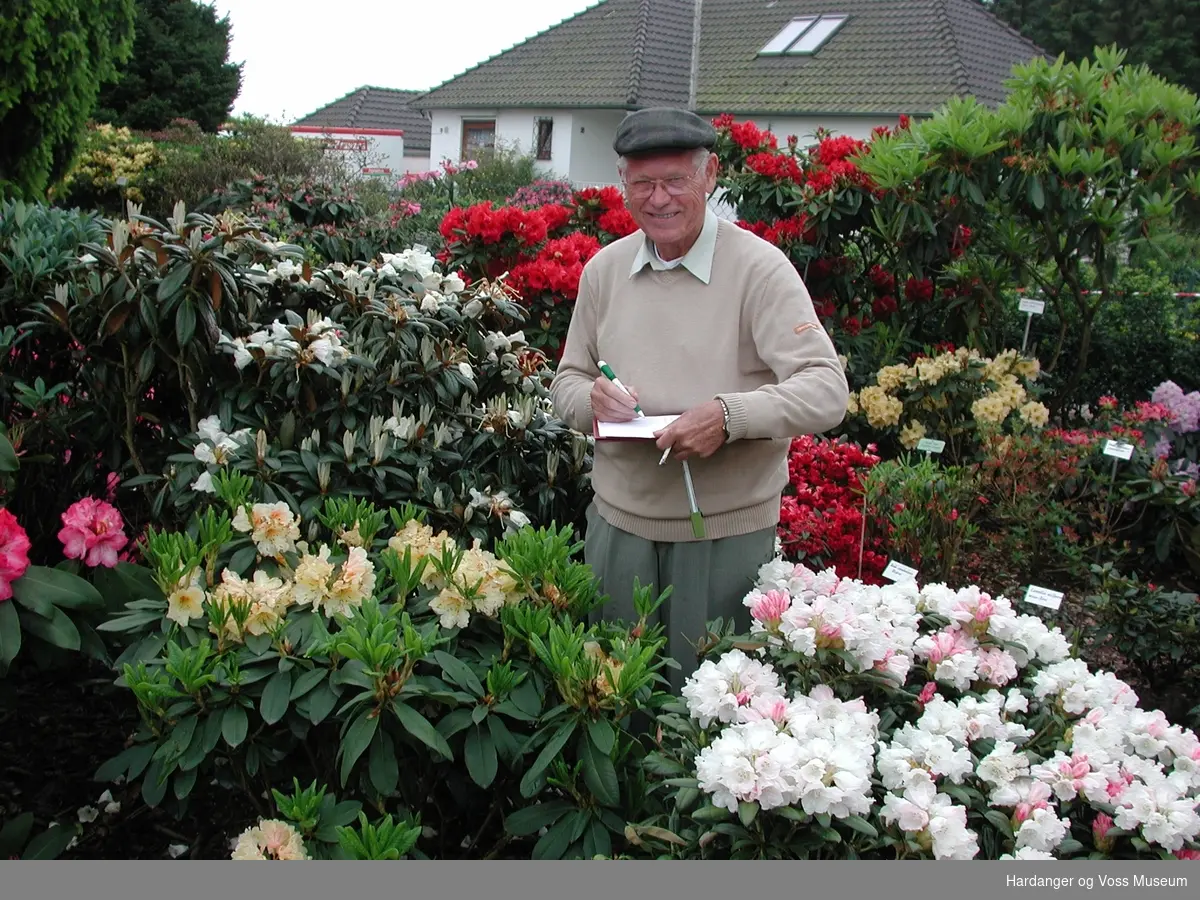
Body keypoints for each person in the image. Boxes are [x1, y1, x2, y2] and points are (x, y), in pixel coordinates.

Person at [549, 106, 849, 690]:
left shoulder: (761, 270)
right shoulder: (604, 272)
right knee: (613, 700)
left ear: (710, 175)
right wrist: (593, 402)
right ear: (622, 185)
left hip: (723, 537)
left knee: (710, 715)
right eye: (642, 184)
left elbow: (826, 390)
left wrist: (728, 415)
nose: (658, 199)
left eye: (675, 181)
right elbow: (566, 383)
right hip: (617, 531)